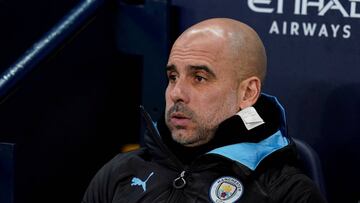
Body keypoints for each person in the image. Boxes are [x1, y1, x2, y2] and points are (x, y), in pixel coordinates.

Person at [82, 18, 326, 203]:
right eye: (173, 76)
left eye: (199, 77)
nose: (176, 92)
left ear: (247, 93)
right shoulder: (121, 170)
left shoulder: (285, 192)